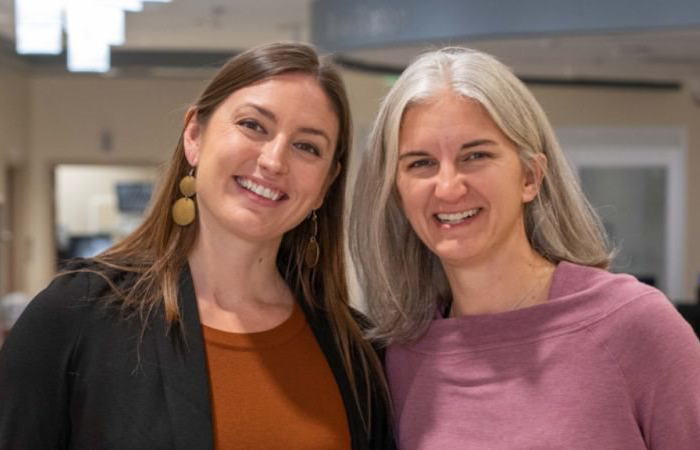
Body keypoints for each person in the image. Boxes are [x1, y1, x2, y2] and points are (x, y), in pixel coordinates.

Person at [0, 42, 393, 450]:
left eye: (307, 146)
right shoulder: (77, 316)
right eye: (253, 125)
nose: (274, 161)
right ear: (194, 136)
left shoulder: (357, 351)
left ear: (325, 186)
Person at [349, 47, 700, 449]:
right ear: (397, 192)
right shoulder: (399, 357)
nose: (448, 187)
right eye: (420, 163)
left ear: (531, 177)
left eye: (475, 155)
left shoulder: (637, 328)